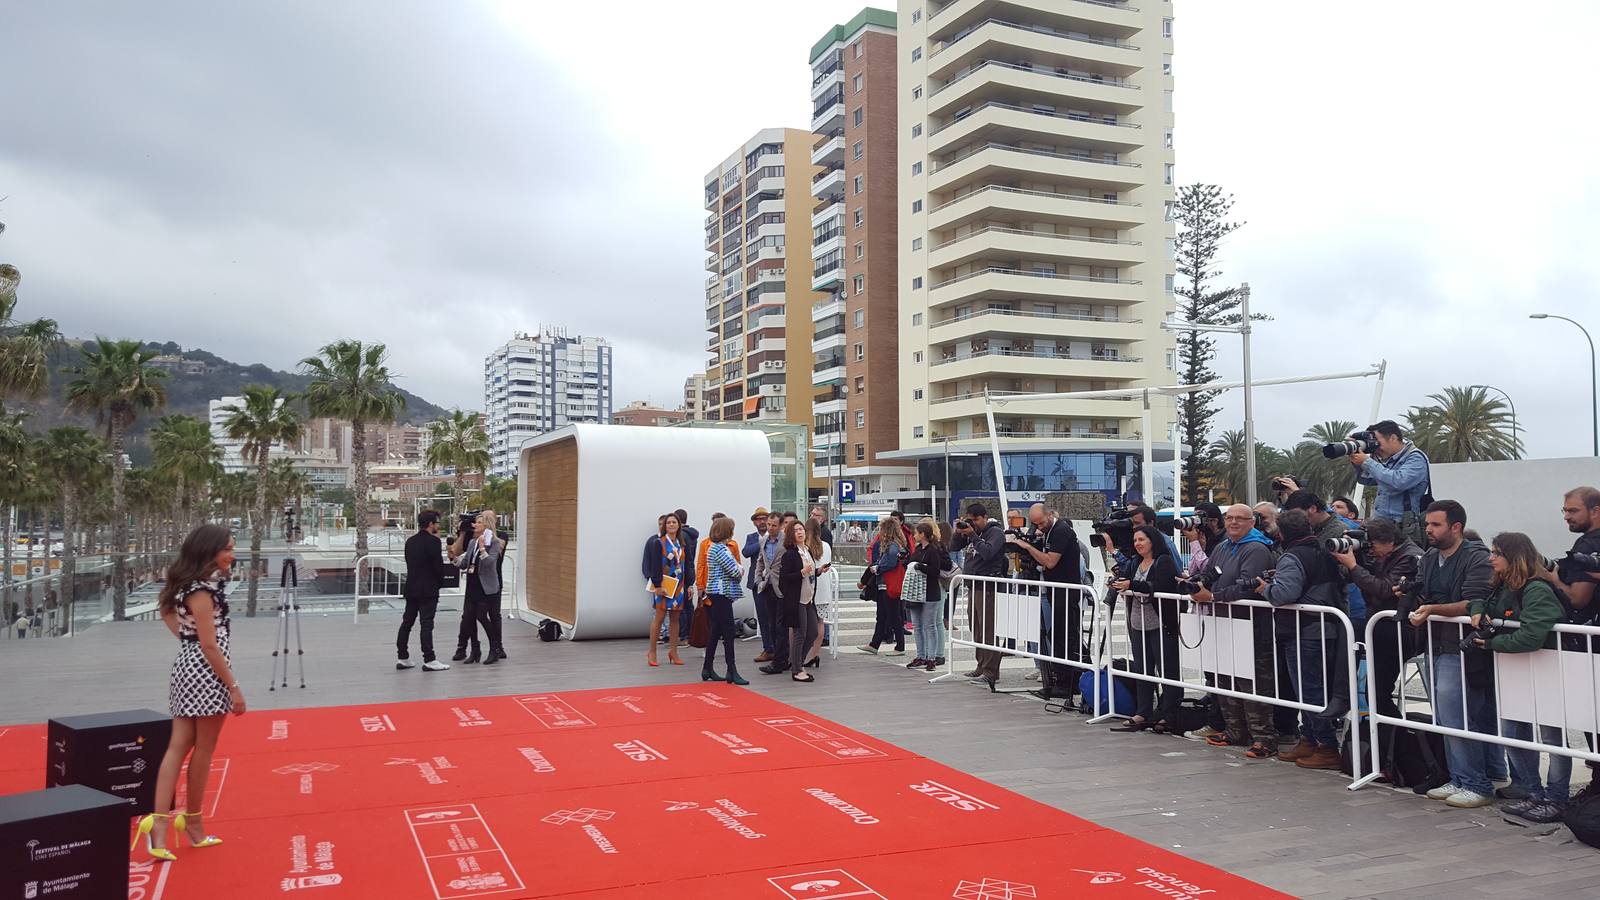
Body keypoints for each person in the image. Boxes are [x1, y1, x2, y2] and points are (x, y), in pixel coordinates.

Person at [135, 524, 245, 861]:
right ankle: (193, 822)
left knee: (178, 747)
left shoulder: (185, 586)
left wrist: (186, 640)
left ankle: (159, 824)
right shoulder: (203, 591)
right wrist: (234, 687)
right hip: (207, 672)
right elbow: (210, 645)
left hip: (186, 666)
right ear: (210, 551)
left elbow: (166, 611)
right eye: (227, 547)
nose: (232, 553)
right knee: (204, 750)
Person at [1467, 532, 1569, 828]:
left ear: (1514, 557)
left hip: (1547, 671)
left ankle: (1557, 798)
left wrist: (1490, 644)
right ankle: (1534, 792)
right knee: (1512, 732)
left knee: (1553, 738)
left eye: (1496, 552)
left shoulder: (1536, 589)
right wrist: (1476, 611)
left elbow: (1532, 636)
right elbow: (1480, 602)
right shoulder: (1504, 586)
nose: (1490, 557)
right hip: (1519, 672)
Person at [1408, 500, 1501, 808]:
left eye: (1435, 525)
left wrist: (1432, 608)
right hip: (1433, 644)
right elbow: (1423, 593)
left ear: (1456, 527)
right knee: (1447, 716)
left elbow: (1474, 602)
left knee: (1458, 716)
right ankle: (1461, 778)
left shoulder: (1477, 557)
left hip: (1462, 648)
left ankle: (1476, 783)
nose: (1428, 530)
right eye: (1427, 525)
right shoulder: (1430, 557)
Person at [1257, 509, 1347, 770]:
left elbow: (1284, 594)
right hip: (1327, 628)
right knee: (1314, 689)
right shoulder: (1325, 551)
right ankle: (1309, 739)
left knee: (1309, 692)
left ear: (1282, 533)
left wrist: (1266, 589)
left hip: (1304, 631)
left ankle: (1327, 746)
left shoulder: (1292, 557)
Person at [1190, 504, 1279, 759]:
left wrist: (1213, 596)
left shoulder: (1257, 549)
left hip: (1251, 625)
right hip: (1223, 624)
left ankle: (1264, 738)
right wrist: (1196, 585)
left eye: (1240, 519)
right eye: (1229, 518)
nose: (1233, 522)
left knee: (1253, 684)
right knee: (1224, 679)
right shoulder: (1222, 546)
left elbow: (1247, 587)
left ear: (1252, 522)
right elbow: (1209, 573)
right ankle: (1235, 730)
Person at [1332, 518, 1423, 723]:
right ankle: (1341, 697)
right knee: (1374, 692)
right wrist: (1354, 560)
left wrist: (1354, 566)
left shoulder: (1410, 557)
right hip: (1380, 625)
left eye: (1372, 544)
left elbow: (1383, 590)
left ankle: (1392, 741)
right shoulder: (1381, 554)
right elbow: (1350, 577)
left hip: (1400, 629)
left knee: (1378, 692)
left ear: (1389, 540)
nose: (1370, 550)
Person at [1543, 485, 1600, 800]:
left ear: (1595, 510)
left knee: (1592, 716)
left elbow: (1578, 599)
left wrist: (1552, 578)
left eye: (1573, 511)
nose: (1566, 517)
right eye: (1564, 511)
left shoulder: (1588, 545)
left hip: (1591, 646)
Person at [1109, 525, 1182, 733]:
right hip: (1137, 622)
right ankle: (1143, 712)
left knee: (1167, 670)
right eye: (1135, 540)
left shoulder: (1163, 561)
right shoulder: (1135, 563)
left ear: (1153, 541)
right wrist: (1120, 585)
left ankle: (1168, 713)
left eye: (1142, 539)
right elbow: (1131, 584)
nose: (1138, 544)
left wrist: (1131, 585)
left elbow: (1160, 586)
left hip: (1160, 622)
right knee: (1143, 670)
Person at [1012, 503, 1083, 699]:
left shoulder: (1060, 530)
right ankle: (1068, 678)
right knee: (1059, 634)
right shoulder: (1049, 531)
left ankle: (1067, 681)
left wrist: (1027, 546)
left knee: (1064, 636)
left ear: (1050, 515)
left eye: (1041, 523)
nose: (1039, 527)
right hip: (1055, 589)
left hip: (1066, 591)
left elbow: (1050, 561)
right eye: (1035, 524)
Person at [951, 502, 1007, 686]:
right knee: (977, 628)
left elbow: (988, 553)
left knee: (988, 629)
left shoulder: (995, 532)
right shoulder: (972, 532)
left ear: (984, 517)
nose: (973, 524)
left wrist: (974, 536)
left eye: (976, 520)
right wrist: (959, 532)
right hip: (973, 585)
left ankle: (991, 672)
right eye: (970, 520)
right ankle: (981, 666)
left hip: (988, 585)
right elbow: (953, 547)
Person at [1351, 420, 1431, 543]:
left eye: (1378, 442)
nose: (1376, 447)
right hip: (1383, 528)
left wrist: (1367, 462)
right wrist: (1356, 461)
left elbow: (1399, 481)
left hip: (1402, 529)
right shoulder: (1390, 460)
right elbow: (1366, 479)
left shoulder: (1415, 458)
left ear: (1393, 438)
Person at [396, 511, 451, 672]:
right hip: (428, 589)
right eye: (437, 523)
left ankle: (403, 657)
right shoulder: (433, 542)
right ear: (431, 524)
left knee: (407, 622)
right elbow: (438, 567)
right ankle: (429, 658)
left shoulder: (410, 542)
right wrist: (439, 583)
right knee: (426, 624)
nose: (438, 526)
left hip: (411, 587)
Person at [700, 516, 749, 686]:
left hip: (716, 592)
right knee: (728, 631)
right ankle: (731, 669)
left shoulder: (715, 548)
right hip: (722, 593)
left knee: (716, 629)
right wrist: (740, 569)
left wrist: (738, 568)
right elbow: (736, 571)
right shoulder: (720, 549)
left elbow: (735, 567)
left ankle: (708, 667)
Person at [454, 510, 507, 665]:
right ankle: (475, 650)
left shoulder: (495, 542)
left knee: (482, 616)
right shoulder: (472, 542)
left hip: (486, 586)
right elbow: (465, 564)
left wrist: (483, 548)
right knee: (469, 618)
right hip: (472, 584)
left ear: (486, 526)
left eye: (478, 523)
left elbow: (490, 563)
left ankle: (495, 648)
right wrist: (454, 559)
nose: (474, 525)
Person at [643, 511, 692, 667]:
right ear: (665, 526)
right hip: (664, 584)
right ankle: (652, 652)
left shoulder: (682, 544)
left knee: (675, 618)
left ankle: (674, 651)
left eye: (674, 522)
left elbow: (689, 564)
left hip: (679, 585)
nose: (671, 524)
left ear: (679, 525)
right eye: (669, 522)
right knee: (659, 617)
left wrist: (690, 583)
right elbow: (654, 565)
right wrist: (657, 585)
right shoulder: (658, 543)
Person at [776, 521, 820, 683]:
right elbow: (785, 578)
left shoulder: (806, 550)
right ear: (790, 535)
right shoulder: (790, 554)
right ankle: (796, 669)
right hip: (797, 599)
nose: (800, 532)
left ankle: (798, 662)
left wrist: (817, 571)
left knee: (813, 632)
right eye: (795, 531)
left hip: (808, 598)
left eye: (801, 529)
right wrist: (802, 572)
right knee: (800, 634)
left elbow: (809, 572)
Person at [904, 521, 951, 672]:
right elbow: (911, 563)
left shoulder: (933, 550)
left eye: (917, 533)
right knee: (917, 625)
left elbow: (935, 570)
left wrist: (921, 567)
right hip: (916, 592)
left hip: (930, 591)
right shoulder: (918, 549)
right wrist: (906, 560)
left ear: (923, 534)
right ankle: (921, 655)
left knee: (930, 625)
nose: (915, 535)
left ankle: (931, 657)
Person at [860, 517, 908, 656]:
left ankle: (899, 646)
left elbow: (891, 562)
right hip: (886, 584)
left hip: (887, 583)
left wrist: (878, 568)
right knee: (884, 616)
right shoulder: (896, 544)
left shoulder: (892, 545)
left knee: (892, 616)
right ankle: (874, 644)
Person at [753, 515, 788, 672]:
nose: (770, 528)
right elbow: (761, 560)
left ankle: (781, 659)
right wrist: (758, 579)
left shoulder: (787, 540)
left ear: (780, 526)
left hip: (783, 585)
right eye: (769, 524)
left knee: (781, 625)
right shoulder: (764, 540)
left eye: (774, 525)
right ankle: (776, 655)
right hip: (767, 585)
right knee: (771, 624)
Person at [744, 508, 773, 658]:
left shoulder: (775, 536)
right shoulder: (752, 537)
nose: (761, 522)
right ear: (754, 522)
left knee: (774, 617)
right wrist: (761, 542)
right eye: (758, 519)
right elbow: (746, 552)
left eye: (764, 518)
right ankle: (768, 648)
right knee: (762, 616)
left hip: (773, 581)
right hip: (757, 581)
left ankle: (777, 647)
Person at [808, 522, 835, 662]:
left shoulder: (805, 547)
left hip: (810, 590)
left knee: (805, 624)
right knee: (820, 622)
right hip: (824, 589)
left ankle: (803, 655)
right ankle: (815, 654)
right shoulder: (826, 546)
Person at [674, 508, 700, 639]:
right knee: (688, 605)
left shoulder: (681, 536)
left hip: (681, 573)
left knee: (682, 606)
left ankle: (683, 635)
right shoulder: (692, 535)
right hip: (689, 572)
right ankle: (691, 633)